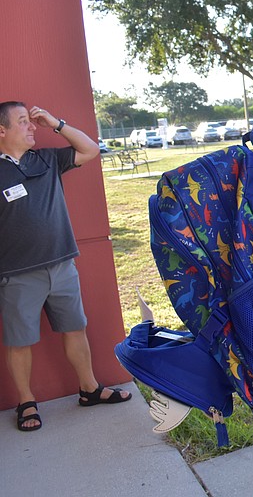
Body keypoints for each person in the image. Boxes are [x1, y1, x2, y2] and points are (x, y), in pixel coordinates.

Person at [0, 101, 131, 432]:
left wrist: (56, 123)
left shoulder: (45, 158)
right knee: (20, 340)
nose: (31, 126)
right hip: (16, 274)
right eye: (22, 122)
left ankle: (89, 389)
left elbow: (90, 149)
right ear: (2, 131)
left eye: (31, 122)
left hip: (61, 266)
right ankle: (26, 401)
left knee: (75, 327)